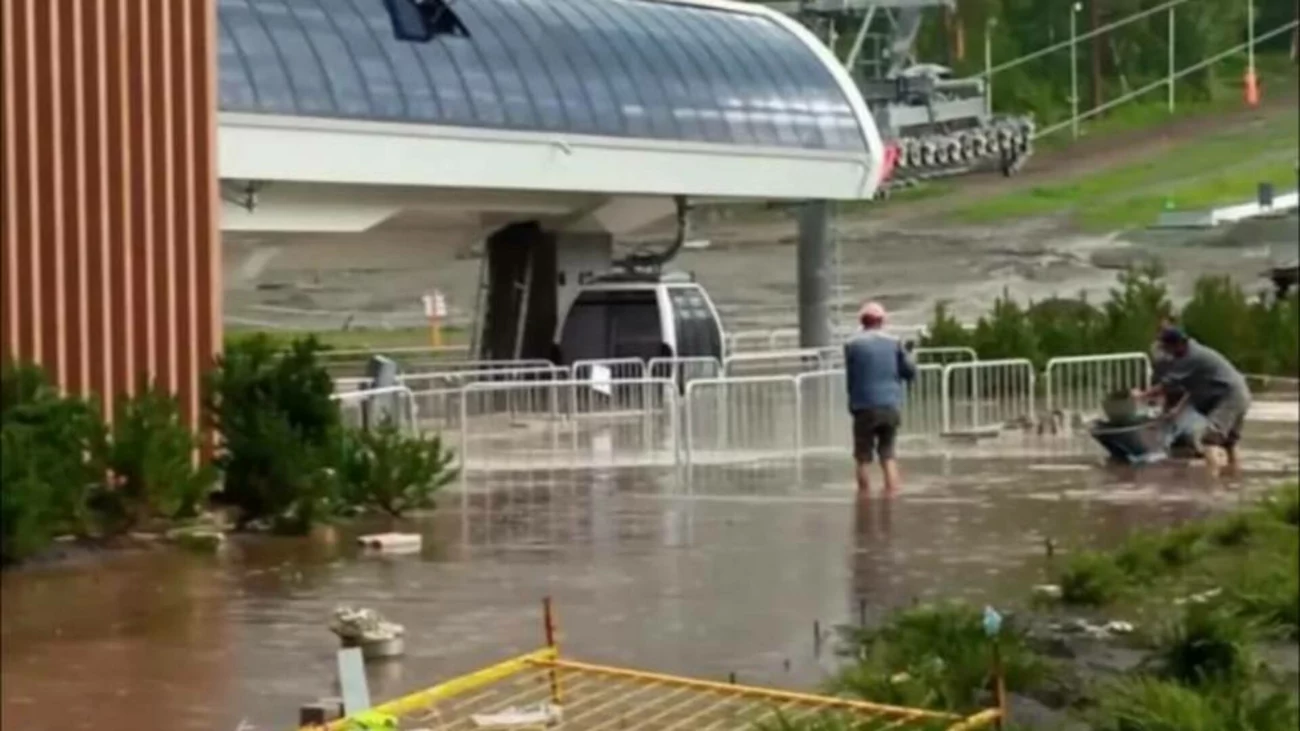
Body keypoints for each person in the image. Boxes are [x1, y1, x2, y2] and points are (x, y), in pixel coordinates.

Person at [1133, 327, 1252, 474]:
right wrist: (1178, 409)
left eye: (1166, 348)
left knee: (1209, 440)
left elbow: (1166, 385)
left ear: (1175, 345)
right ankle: (1234, 479)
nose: (1166, 352)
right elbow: (1192, 388)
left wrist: (1141, 395)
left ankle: (1213, 487)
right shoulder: (1195, 352)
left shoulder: (1190, 357)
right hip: (1241, 394)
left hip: (1228, 397)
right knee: (1230, 443)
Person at [844, 301, 917, 495]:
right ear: (882, 321)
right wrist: (909, 355)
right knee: (888, 455)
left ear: (862, 322)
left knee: (862, 458)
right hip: (890, 406)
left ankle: (864, 503)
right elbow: (909, 372)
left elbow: (851, 378)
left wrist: (852, 403)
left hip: (863, 406)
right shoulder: (895, 343)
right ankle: (892, 498)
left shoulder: (852, 345)